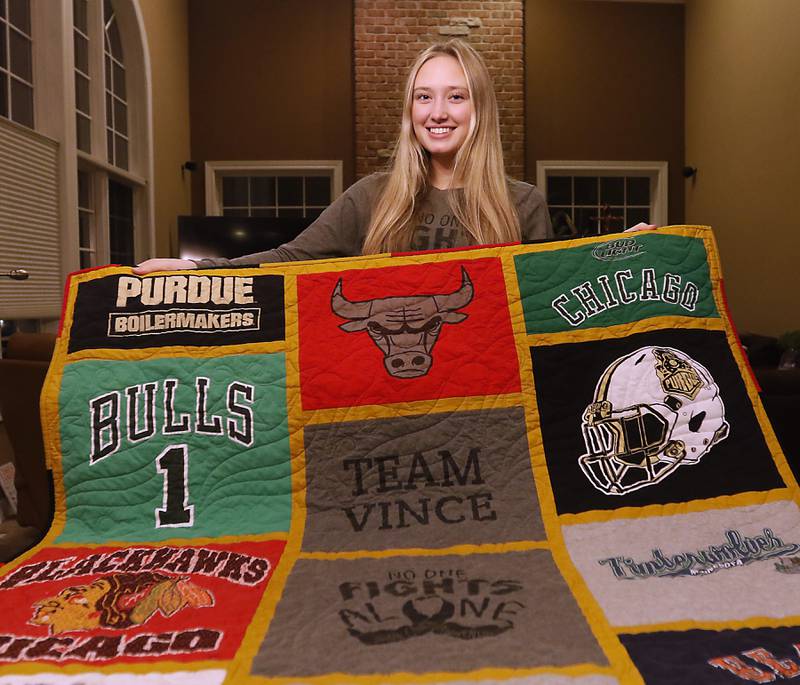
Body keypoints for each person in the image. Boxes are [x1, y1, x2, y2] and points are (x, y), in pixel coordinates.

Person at [134, 39, 557, 275]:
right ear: (410, 110)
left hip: (490, 396)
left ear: (479, 108)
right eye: (423, 97)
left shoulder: (522, 204)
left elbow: (553, 300)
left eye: (456, 97)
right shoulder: (372, 197)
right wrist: (198, 271)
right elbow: (289, 259)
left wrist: (622, 252)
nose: (438, 112)